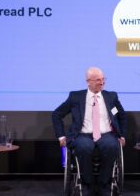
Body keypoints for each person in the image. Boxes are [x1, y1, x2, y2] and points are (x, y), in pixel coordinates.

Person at [52, 67, 127, 196]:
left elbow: (122, 116)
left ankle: (104, 184)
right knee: (84, 147)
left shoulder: (111, 96)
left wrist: (122, 135)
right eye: (98, 80)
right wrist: (61, 137)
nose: (102, 82)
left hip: (106, 134)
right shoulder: (75, 96)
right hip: (82, 134)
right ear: (88, 81)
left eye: (103, 79)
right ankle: (87, 184)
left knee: (111, 146)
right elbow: (56, 114)